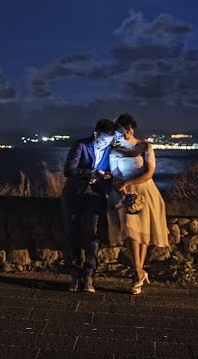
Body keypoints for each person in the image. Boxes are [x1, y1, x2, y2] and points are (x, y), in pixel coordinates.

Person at [110, 113, 169, 295]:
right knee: (130, 229)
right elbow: (115, 175)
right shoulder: (114, 150)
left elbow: (149, 173)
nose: (119, 136)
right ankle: (138, 271)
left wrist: (129, 183)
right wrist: (124, 191)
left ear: (130, 130)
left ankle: (139, 273)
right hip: (124, 193)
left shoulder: (145, 146)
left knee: (142, 231)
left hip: (145, 191)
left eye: (122, 132)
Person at [61, 118, 116, 293]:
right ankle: (75, 275)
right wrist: (91, 173)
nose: (106, 142)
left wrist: (104, 178)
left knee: (93, 237)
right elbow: (68, 170)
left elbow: (110, 173)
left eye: (109, 139)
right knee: (73, 235)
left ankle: (89, 275)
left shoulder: (110, 149)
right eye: (104, 138)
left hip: (95, 197)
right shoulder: (81, 145)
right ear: (96, 133)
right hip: (74, 196)